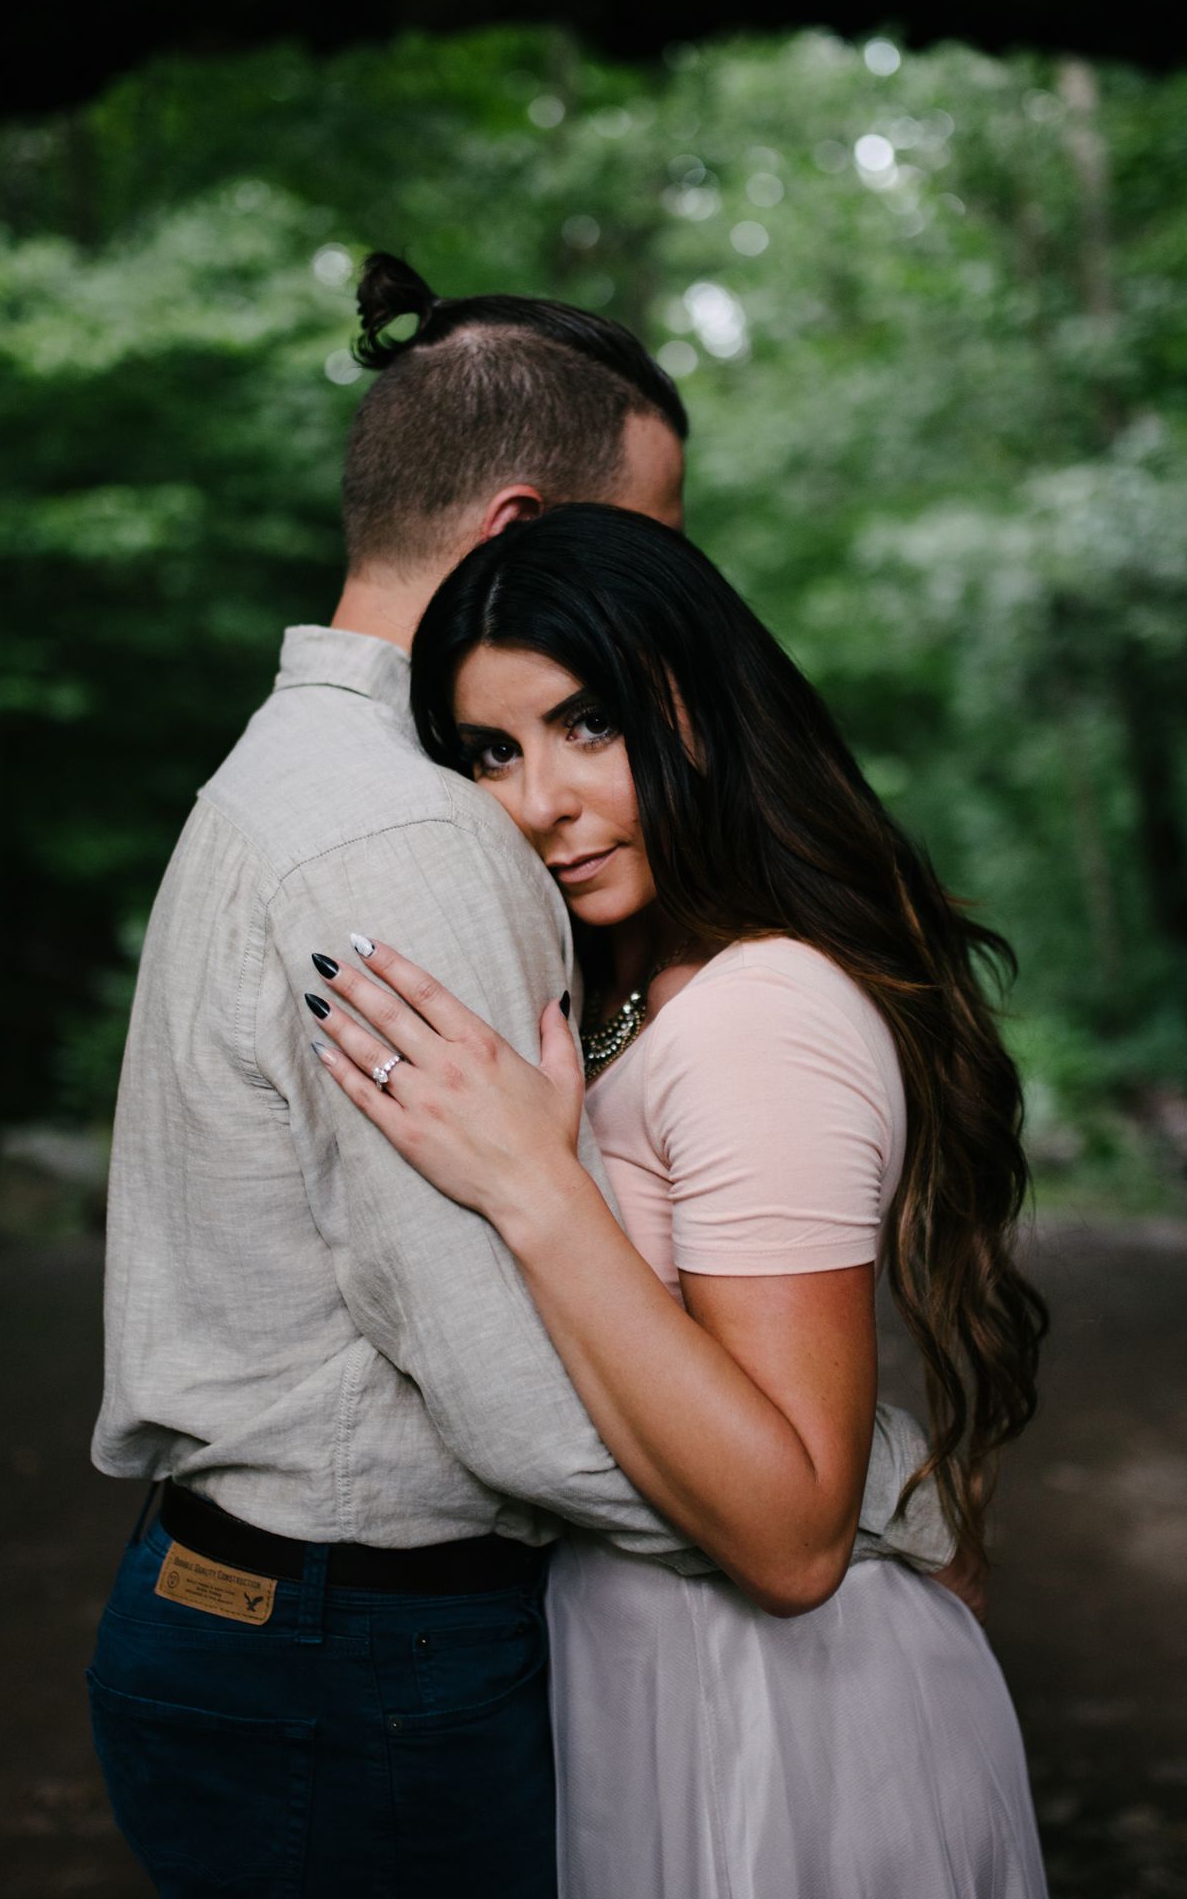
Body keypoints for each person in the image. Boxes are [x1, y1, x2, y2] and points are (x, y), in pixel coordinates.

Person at [89, 259, 960, 1897]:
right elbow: (508, 1391)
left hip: (271, 1625)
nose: (667, 585)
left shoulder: (294, 778)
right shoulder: (416, 839)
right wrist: (873, 1490)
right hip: (362, 1657)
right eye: (648, 538)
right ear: (520, 534)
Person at [306, 501, 1051, 1898]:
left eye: (591, 726)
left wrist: (536, 1188)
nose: (543, 803)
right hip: (657, 1676)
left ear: (704, 709)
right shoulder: (638, 994)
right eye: (493, 752)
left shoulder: (760, 1009)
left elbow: (791, 1533)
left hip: (781, 1716)